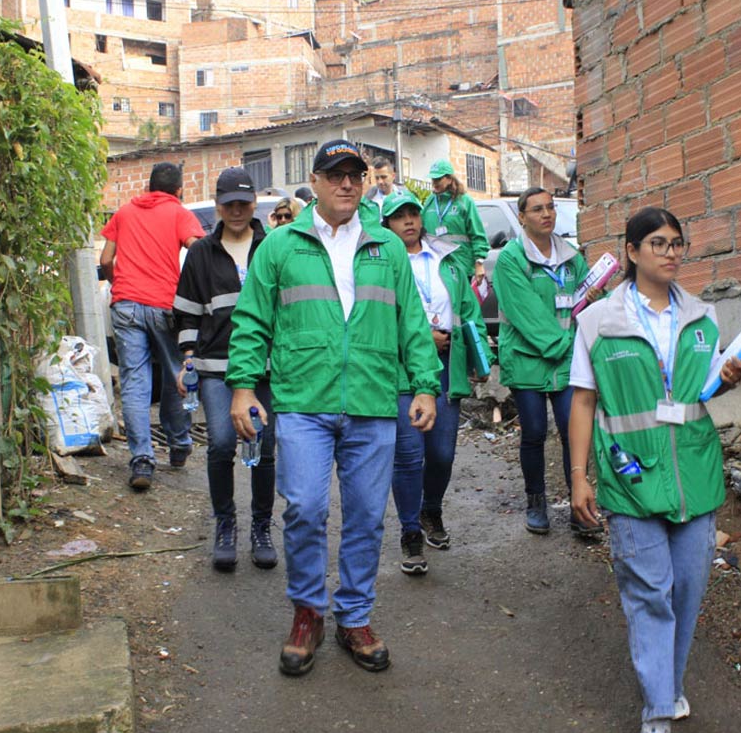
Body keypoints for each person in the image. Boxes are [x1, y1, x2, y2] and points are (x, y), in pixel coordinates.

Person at [226, 140, 441, 676]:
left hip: (371, 400)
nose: (347, 183)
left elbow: (412, 323)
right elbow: (253, 320)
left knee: (367, 516)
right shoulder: (280, 245)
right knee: (303, 508)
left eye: (355, 175)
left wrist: (424, 385)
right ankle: (307, 613)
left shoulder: (386, 248)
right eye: (335, 174)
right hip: (303, 399)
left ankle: (354, 617)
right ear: (316, 182)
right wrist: (244, 387)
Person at [567, 207, 741, 733]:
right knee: (650, 596)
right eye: (657, 243)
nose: (671, 252)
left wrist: (728, 376)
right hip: (631, 481)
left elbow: (700, 390)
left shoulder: (702, 316)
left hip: (695, 476)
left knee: (686, 594)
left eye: (677, 243)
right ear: (631, 251)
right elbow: (583, 399)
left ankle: (667, 685)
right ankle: (656, 719)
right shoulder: (598, 321)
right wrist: (578, 477)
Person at [382, 191, 492, 574]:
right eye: (399, 217)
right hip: (401, 369)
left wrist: (481, 358)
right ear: (387, 225)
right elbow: (377, 316)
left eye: (414, 213)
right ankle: (410, 531)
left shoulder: (447, 261)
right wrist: (420, 335)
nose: (409, 221)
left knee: (442, 453)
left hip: (447, 364)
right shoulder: (380, 264)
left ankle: (431, 509)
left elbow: (468, 311)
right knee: (409, 454)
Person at [173, 167, 277, 572]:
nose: (236, 210)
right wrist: (186, 361)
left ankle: (262, 528)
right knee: (220, 443)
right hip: (214, 366)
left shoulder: (271, 246)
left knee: (264, 448)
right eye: (229, 204)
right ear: (218, 206)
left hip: (265, 368)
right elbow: (186, 312)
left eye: (243, 203)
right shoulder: (201, 252)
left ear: (254, 204)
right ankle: (226, 525)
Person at [493, 187, 600, 537]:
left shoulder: (571, 257)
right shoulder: (511, 259)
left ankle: (579, 504)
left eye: (551, 207)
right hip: (528, 359)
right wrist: (565, 343)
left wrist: (599, 297)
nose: (546, 214)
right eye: (537, 209)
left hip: (567, 359)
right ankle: (536, 501)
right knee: (535, 432)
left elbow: (587, 296)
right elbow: (527, 314)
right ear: (522, 216)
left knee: (574, 430)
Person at [99, 162, 205, 491]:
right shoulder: (178, 212)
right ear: (178, 190)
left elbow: (105, 261)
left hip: (126, 305)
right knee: (177, 375)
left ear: (148, 187)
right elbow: (198, 249)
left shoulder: (125, 212)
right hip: (164, 305)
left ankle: (142, 460)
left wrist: (121, 286)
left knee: (134, 384)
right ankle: (178, 444)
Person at [420, 159, 489, 282]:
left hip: (461, 264)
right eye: (433, 179)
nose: (434, 183)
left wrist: (479, 263)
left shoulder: (465, 201)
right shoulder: (430, 201)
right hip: (436, 265)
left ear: (450, 179)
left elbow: (477, 234)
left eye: (438, 179)